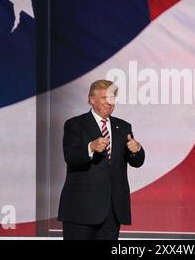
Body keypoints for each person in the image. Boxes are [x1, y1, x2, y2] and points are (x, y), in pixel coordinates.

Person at [58, 79, 145, 240]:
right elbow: (70, 156)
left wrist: (137, 149)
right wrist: (90, 147)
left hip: (111, 212)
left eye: (112, 98)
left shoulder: (123, 127)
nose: (109, 102)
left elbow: (137, 162)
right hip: (80, 211)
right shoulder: (75, 124)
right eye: (105, 97)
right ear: (92, 99)